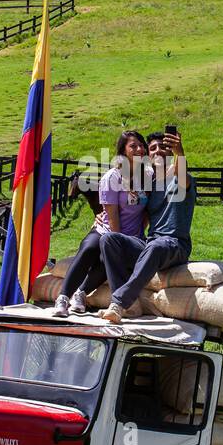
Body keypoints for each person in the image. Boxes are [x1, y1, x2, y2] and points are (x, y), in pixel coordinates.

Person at [97, 129, 195, 323]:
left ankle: (118, 303)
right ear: (147, 156)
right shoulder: (149, 184)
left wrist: (180, 153)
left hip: (175, 245)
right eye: (152, 148)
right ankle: (130, 307)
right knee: (109, 239)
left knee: (156, 246)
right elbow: (130, 206)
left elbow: (181, 172)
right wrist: (101, 215)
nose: (157, 151)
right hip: (150, 243)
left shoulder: (181, 178)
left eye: (163, 147)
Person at [50, 130, 148, 316]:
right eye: (133, 146)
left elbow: (147, 211)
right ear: (123, 151)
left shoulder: (147, 176)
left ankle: (81, 293)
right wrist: (118, 242)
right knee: (90, 249)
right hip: (107, 230)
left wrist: (138, 234)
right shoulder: (113, 177)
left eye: (141, 145)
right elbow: (112, 216)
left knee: (106, 260)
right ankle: (62, 297)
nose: (139, 149)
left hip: (133, 236)